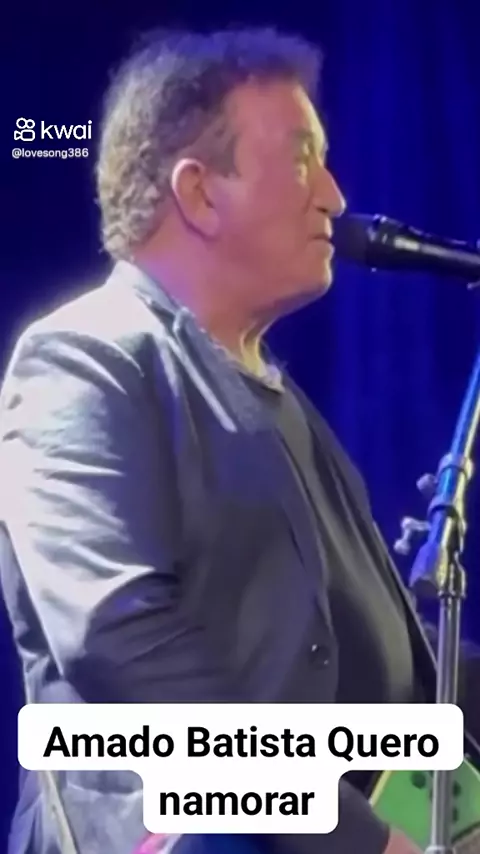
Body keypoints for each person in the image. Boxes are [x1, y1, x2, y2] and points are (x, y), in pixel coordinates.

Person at [0, 25, 476, 854]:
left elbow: (359, 649)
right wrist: (358, 839)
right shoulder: (80, 358)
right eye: (302, 160)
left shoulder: (273, 395)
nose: (335, 196)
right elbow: (122, 639)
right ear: (198, 193)